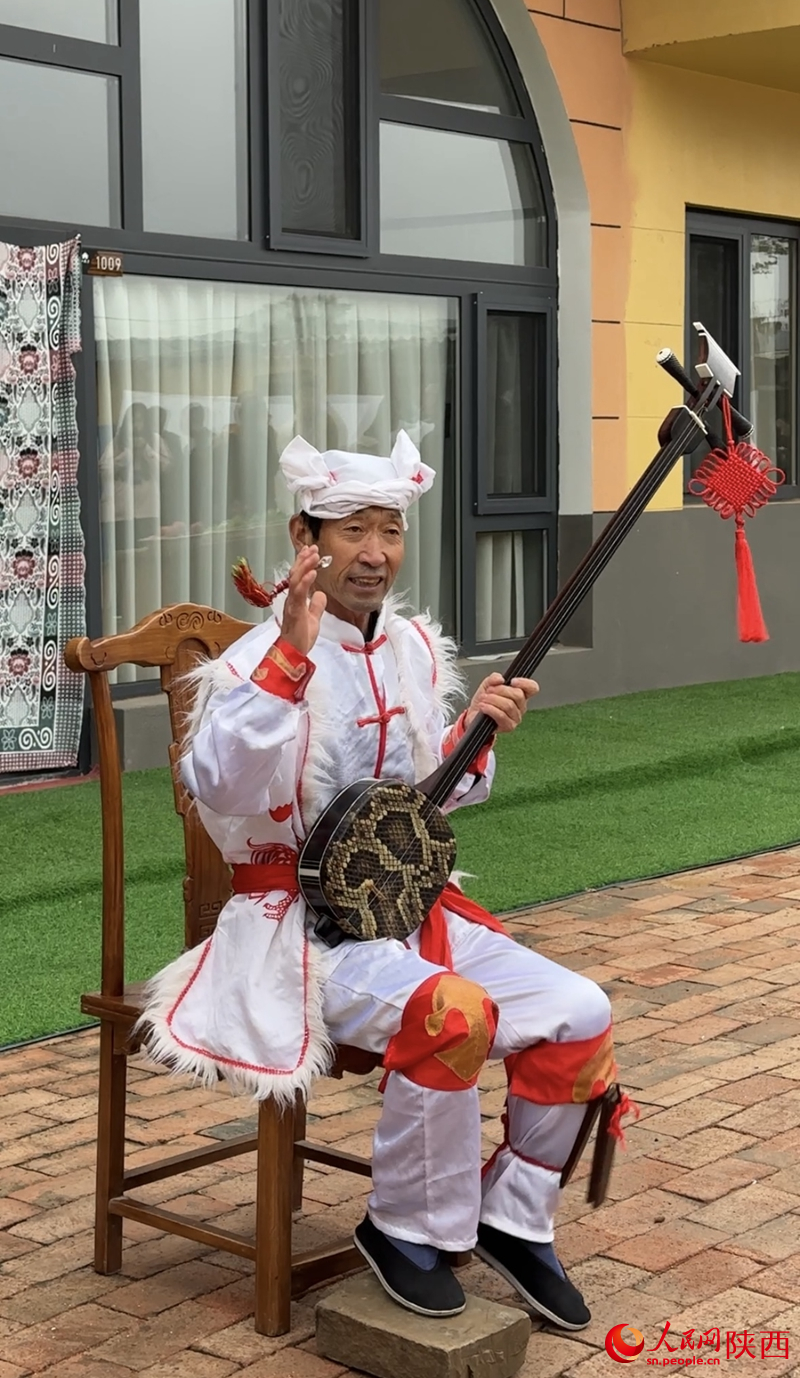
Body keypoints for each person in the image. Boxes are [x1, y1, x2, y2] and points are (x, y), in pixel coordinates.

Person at [141, 430, 619, 1330]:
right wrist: (287, 661)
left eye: (390, 530)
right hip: (292, 927)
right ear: (305, 538)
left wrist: (471, 735)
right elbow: (219, 786)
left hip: (403, 909)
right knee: (452, 1013)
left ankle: (514, 1217)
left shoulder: (413, 649)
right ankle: (406, 1230)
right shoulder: (252, 660)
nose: (374, 552)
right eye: (352, 530)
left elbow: (418, 807)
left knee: (581, 1010)